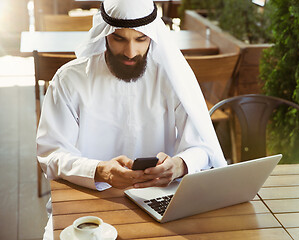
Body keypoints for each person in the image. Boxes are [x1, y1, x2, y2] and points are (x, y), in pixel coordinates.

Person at [36, 0, 227, 239]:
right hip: (88, 202)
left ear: (152, 36)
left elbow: (202, 146)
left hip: (159, 202)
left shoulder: (170, 79)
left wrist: (180, 165)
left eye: (141, 39)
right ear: (105, 34)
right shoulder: (69, 80)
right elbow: (51, 155)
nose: (130, 52)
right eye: (119, 39)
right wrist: (100, 171)